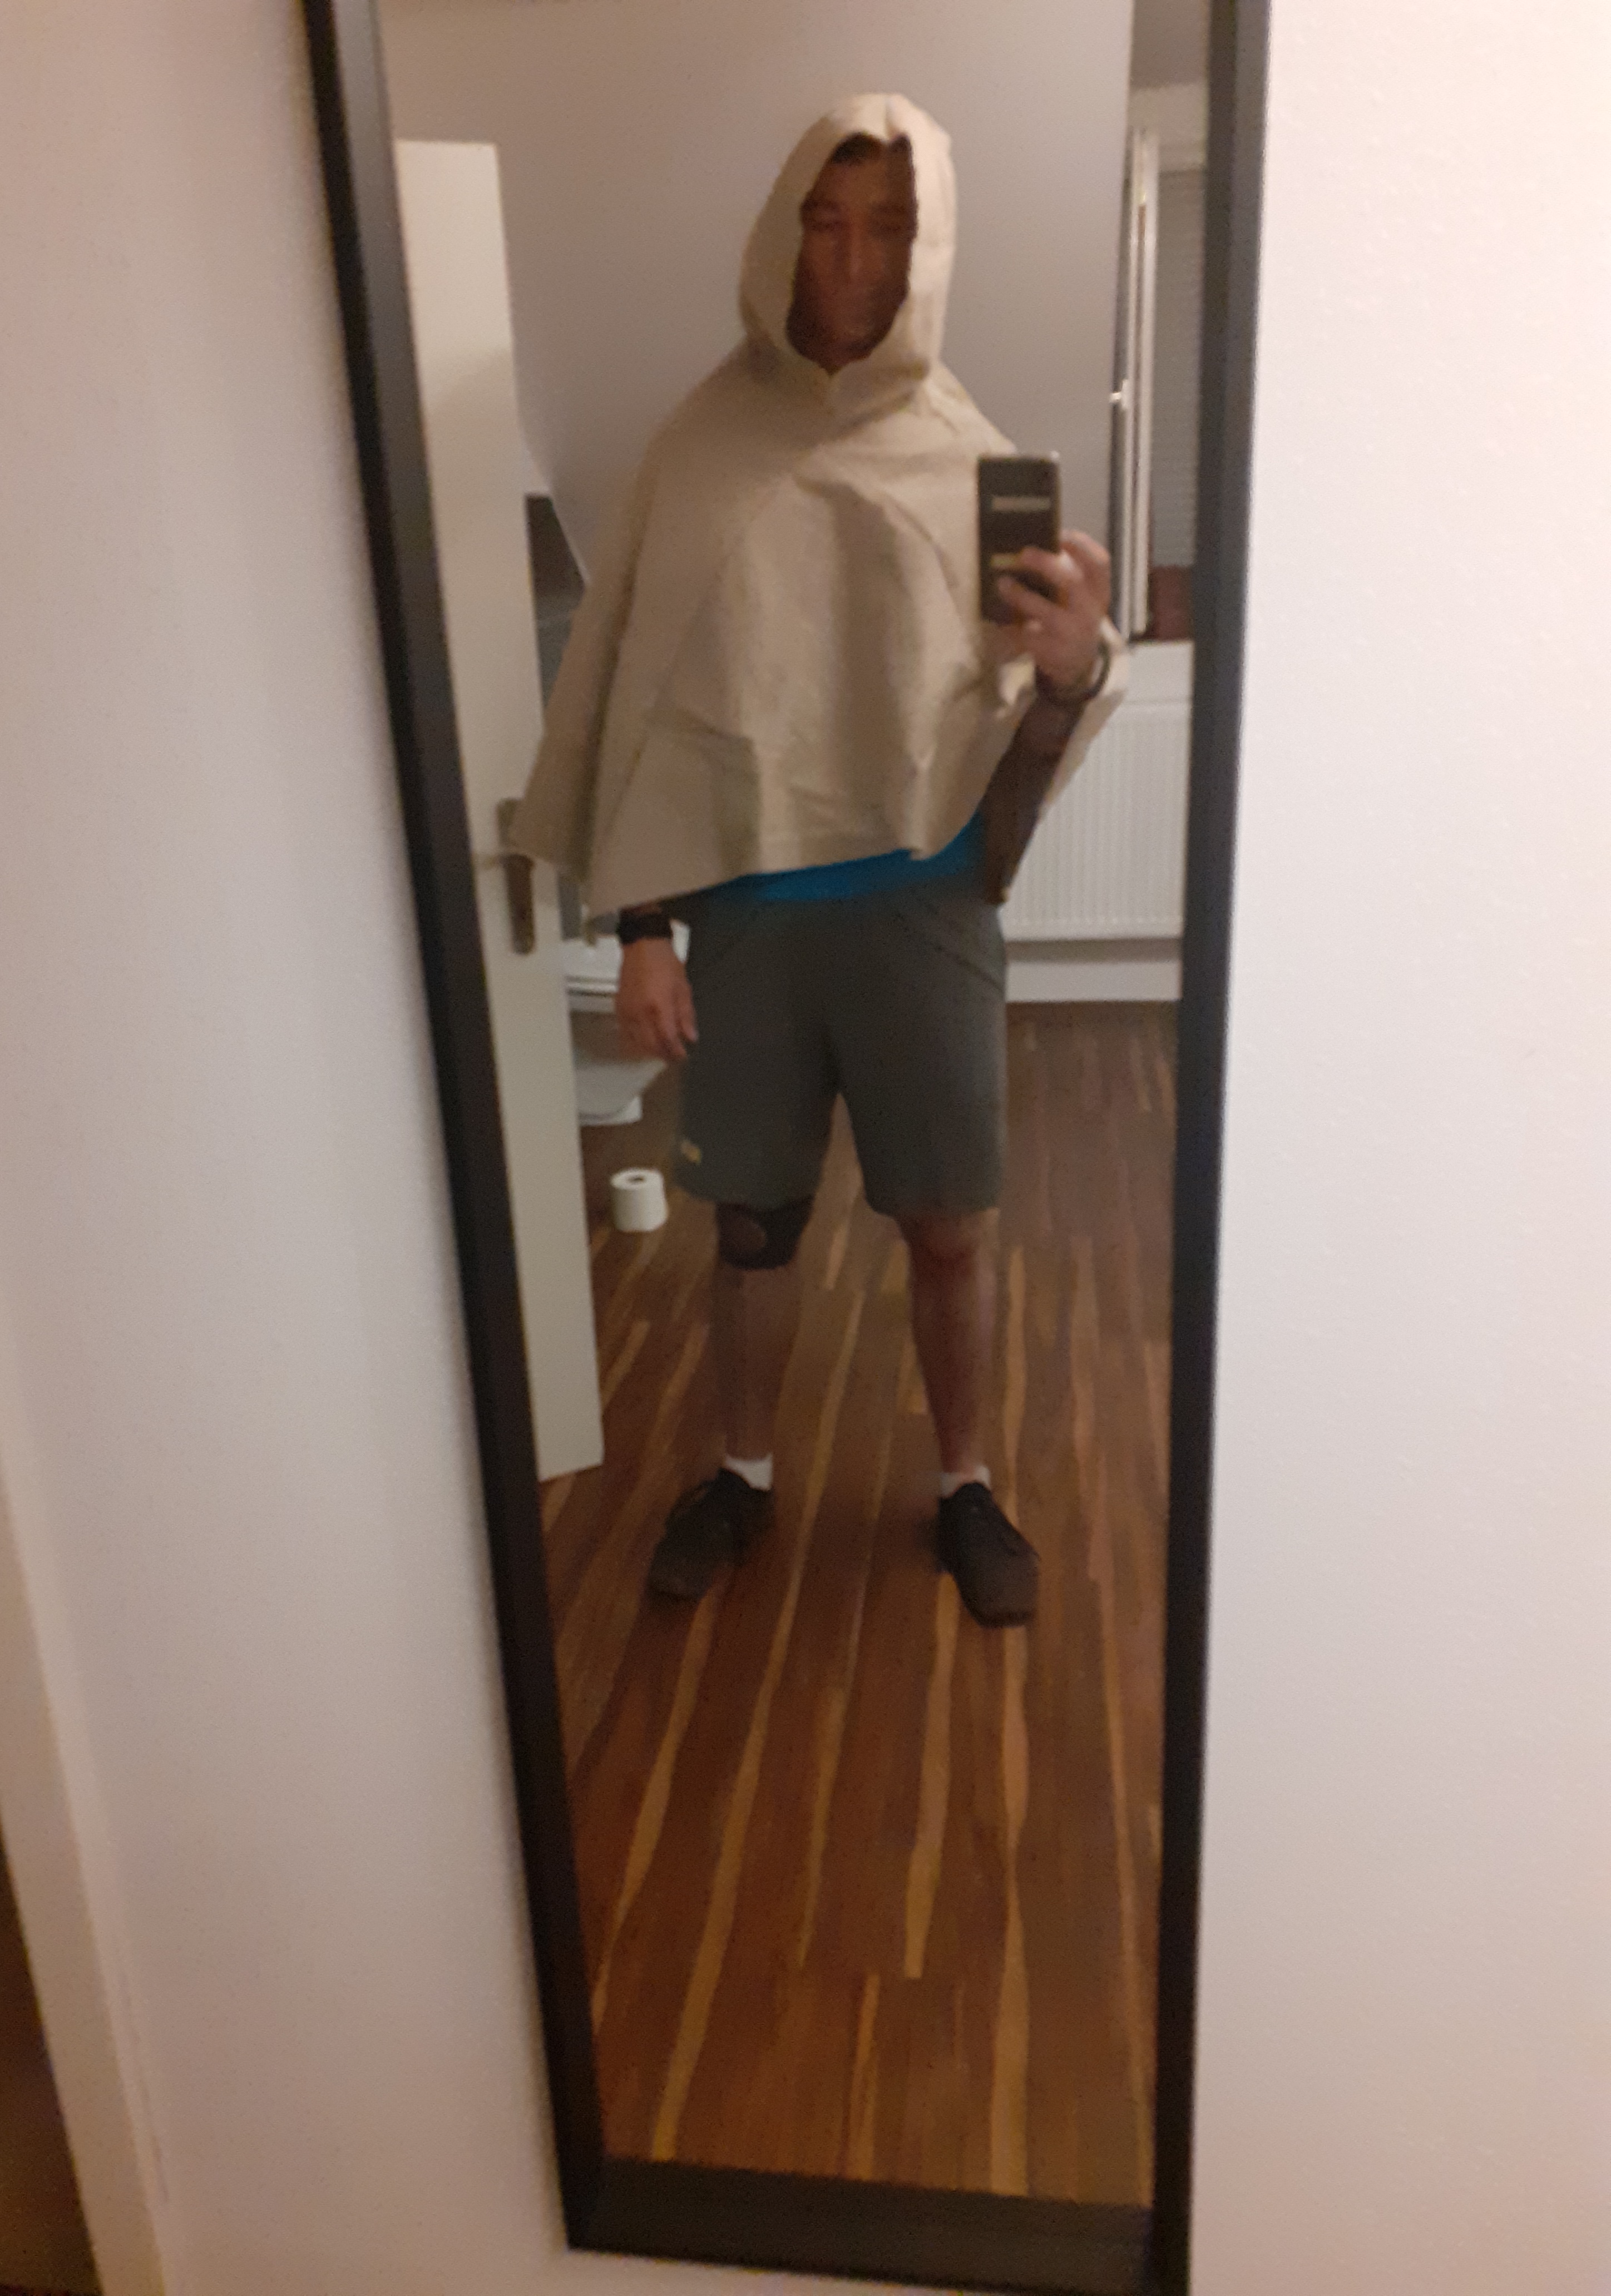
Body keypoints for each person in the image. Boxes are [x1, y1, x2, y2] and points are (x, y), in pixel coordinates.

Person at [514, 95, 1125, 1626]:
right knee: (750, 1226)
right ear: (784, 229)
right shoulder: (698, 448)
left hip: (922, 903)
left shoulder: (970, 457)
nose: (853, 260)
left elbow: (1013, 734)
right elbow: (640, 698)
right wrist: (642, 927)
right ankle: (742, 1474)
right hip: (749, 919)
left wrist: (1072, 669)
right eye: (827, 220)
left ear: (932, 251)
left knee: (948, 1224)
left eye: (891, 228)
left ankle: (967, 1483)